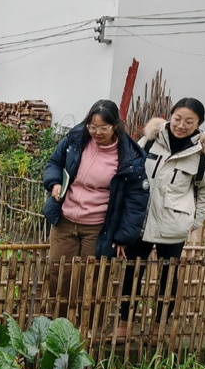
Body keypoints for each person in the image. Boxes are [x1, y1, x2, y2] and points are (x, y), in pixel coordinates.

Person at [116, 97, 205, 340]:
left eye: (189, 121)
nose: (181, 125)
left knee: (167, 275)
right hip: (141, 220)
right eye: (178, 119)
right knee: (132, 271)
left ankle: (158, 324)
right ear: (170, 116)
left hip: (173, 223)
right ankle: (124, 321)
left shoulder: (202, 154)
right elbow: (130, 172)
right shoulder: (150, 140)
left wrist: (195, 222)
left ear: (199, 124)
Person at [43, 99, 149, 319]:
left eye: (103, 128)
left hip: (99, 227)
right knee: (59, 274)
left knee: (91, 278)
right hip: (65, 220)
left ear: (115, 125)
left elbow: (136, 198)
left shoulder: (128, 156)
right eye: (93, 126)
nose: (97, 132)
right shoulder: (76, 140)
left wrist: (123, 236)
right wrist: (54, 183)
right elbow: (54, 163)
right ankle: (60, 325)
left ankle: (88, 328)